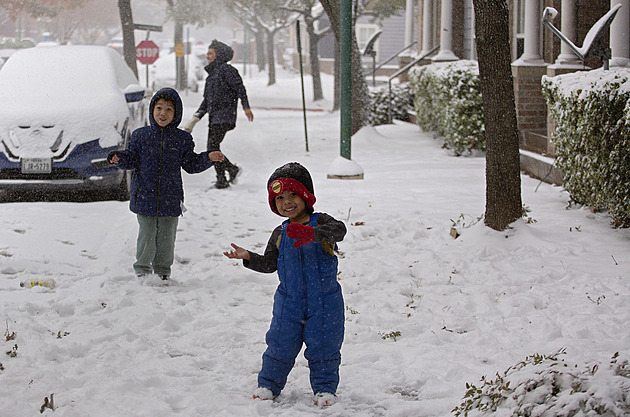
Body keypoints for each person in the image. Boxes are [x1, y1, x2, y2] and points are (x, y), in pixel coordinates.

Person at [223, 162, 347, 407]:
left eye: (292, 195)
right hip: (288, 303)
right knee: (279, 344)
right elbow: (270, 264)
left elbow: (339, 230)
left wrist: (315, 234)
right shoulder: (279, 233)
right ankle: (269, 383)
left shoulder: (321, 221)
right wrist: (248, 256)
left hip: (324, 302)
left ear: (305, 196)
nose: (286, 202)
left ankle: (324, 389)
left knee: (323, 347)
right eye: (279, 198)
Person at [108, 87, 224, 280]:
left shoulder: (182, 139)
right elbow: (131, 159)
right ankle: (142, 269)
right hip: (144, 195)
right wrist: (118, 158)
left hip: (170, 198)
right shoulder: (141, 136)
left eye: (169, 109)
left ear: (176, 113)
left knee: (166, 238)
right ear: (152, 110)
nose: (163, 113)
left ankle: (163, 270)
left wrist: (208, 158)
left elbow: (191, 164)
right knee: (146, 234)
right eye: (159, 108)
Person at [183, 39, 254, 189]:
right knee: (213, 148)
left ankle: (224, 177)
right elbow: (206, 101)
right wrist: (195, 118)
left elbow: (240, 89)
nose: (207, 56)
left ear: (219, 54)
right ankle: (228, 173)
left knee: (212, 148)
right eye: (207, 53)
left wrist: (246, 107)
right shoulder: (211, 76)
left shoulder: (227, 70)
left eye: (210, 53)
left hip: (225, 115)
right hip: (215, 117)